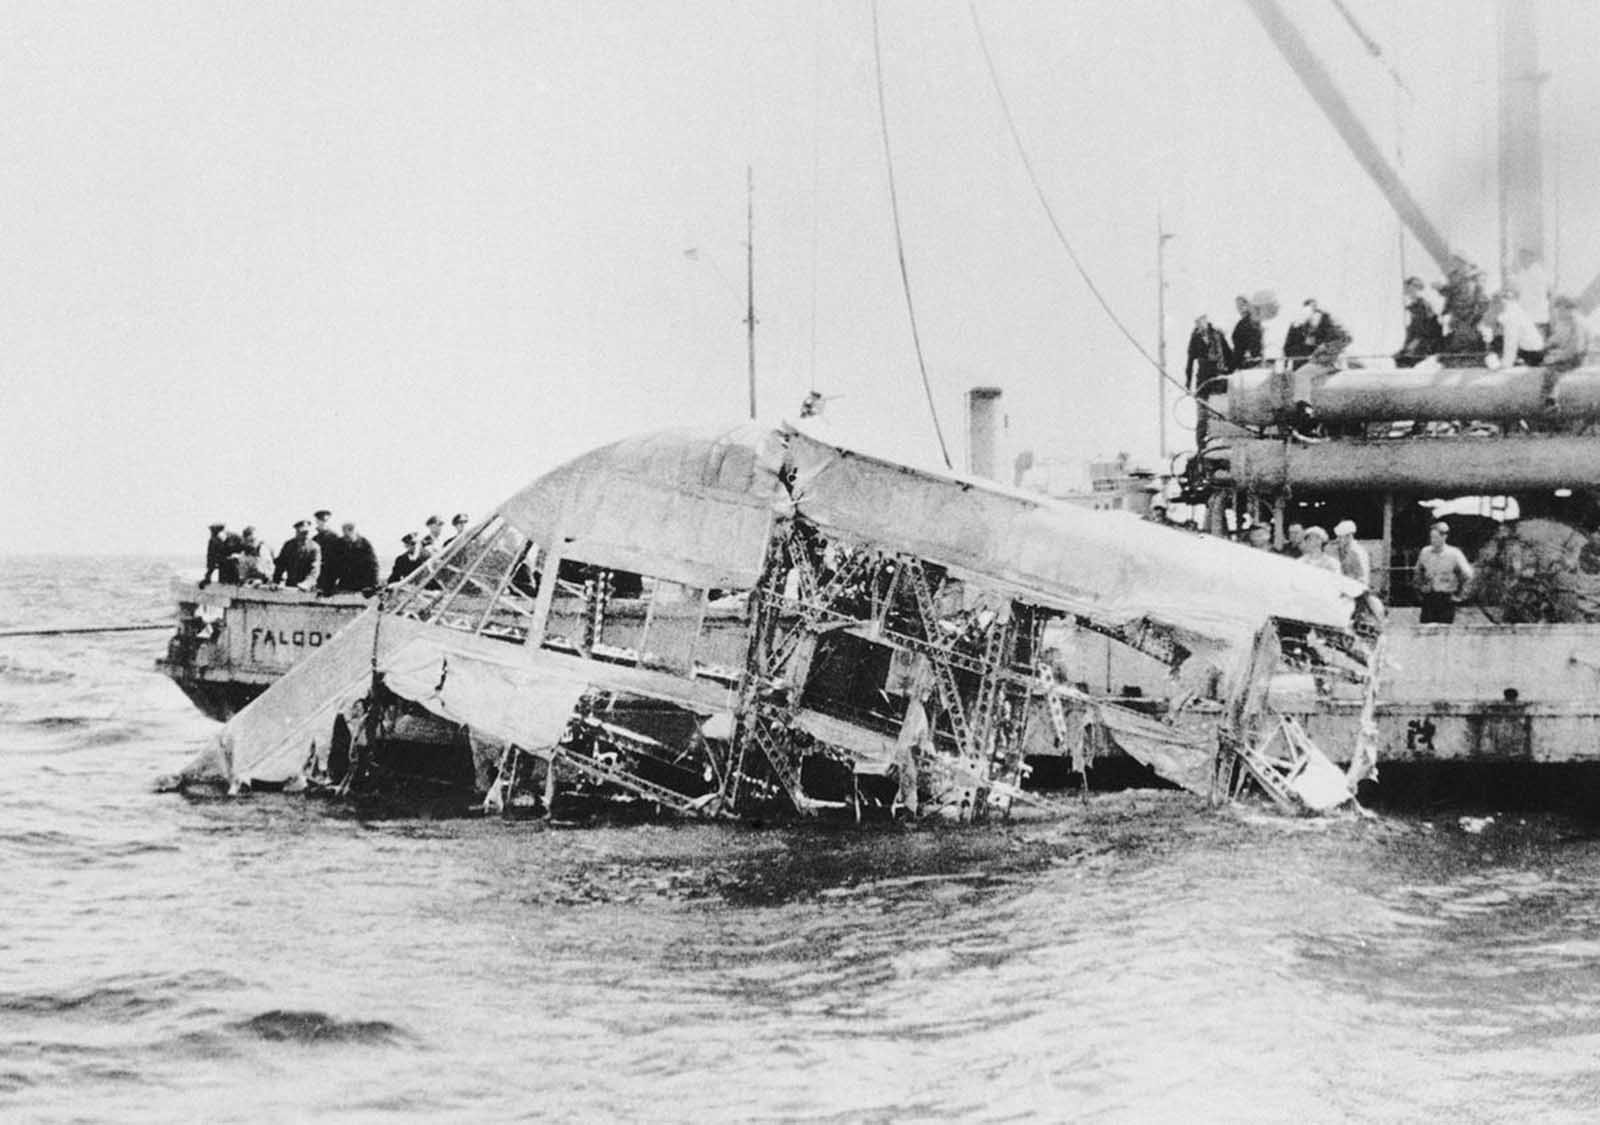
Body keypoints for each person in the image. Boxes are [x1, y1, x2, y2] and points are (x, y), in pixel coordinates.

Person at [1414, 520, 1474, 624]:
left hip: (1446, 598)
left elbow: (1468, 575)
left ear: (1444, 537)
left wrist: (1461, 596)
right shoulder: (1425, 552)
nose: (1433, 540)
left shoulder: (1454, 553)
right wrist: (1420, 589)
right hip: (1429, 597)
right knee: (1425, 630)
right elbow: (1417, 572)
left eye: (1436, 537)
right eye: (1431, 537)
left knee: (1444, 631)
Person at [1437, 256, 1490, 367]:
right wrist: (1444, 311)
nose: (1458, 265)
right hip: (1457, 316)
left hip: (1471, 316)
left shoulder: (1476, 278)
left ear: (1467, 263)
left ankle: (1474, 362)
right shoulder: (1454, 276)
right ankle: (1456, 362)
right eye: (1456, 263)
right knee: (1457, 341)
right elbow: (1450, 295)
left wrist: (1477, 316)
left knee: (1471, 340)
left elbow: (1482, 299)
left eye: (1460, 263)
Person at [1394, 276, 1444, 367]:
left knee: (1404, 359)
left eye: (1411, 287)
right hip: (1417, 341)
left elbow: (1424, 330)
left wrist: (1410, 346)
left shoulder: (1422, 305)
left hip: (1426, 343)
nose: (1406, 290)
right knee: (1400, 358)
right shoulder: (1413, 306)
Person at [1489, 287, 1544, 368]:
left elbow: (1511, 342)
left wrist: (1506, 364)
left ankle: (1512, 360)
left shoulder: (1512, 315)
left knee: (1501, 339)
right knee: (1499, 336)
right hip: (1534, 350)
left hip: (1533, 354)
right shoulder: (1515, 309)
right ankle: (1516, 359)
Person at [1185, 315, 1234, 397]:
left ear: (1205, 320)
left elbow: (1229, 355)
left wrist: (1230, 374)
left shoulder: (1217, 334)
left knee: (1219, 406)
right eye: (1196, 322)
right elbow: (1190, 362)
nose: (1199, 324)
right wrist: (1188, 384)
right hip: (1203, 381)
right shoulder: (1195, 338)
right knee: (1203, 406)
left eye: (1200, 321)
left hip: (1219, 378)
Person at [272, 519, 322, 591]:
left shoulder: (314, 547)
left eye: (307, 533)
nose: (305, 536)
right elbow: (280, 565)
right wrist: (275, 581)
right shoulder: (289, 545)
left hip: (307, 588)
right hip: (290, 585)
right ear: (297, 532)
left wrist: (307, 583)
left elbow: (315, 569)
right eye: (302, 533)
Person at [1301, 299, 1352, 366]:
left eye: (1314, 306)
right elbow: (1310, 340)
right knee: (1318, 355)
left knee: (1322, 353)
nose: (1313, 308)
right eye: (1310, 307)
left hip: (1338, 338)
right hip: (1331, 341)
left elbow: (1331, 331)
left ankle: (1337, 362)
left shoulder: (1322, 316)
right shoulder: (1307, 321)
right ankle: (1329, 362)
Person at [336, 522, 380, 593]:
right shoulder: (339, 543)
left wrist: (373, 585)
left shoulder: (365, 545)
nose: (346, 538)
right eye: (344, 535)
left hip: (362, 583)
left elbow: (374, 566)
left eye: (348, 536)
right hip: (345, 582)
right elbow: (332, 564)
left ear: (354, 532)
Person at [1331, 519, 1371, 588]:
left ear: (1349, 536)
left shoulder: (1358, 552)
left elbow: (1362, 577)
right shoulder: (1343, 550)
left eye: (1340, 537)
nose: (1337, 540)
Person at [312, 509, 343, 595]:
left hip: (331, 570)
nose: (322, 523)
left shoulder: (335, 537)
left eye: (325, 521)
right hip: (318, 570)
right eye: (320, 521)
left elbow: (340, 557)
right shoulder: (315, 539)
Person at [201, 523, 242, 587]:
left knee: (227, 567)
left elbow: (218, 552)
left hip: (218, 560)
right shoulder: (216, 540)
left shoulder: (216, 540)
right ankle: (230, 582)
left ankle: (227, 582)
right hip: (218, 560)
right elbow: (217, 552)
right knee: (229, 565)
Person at [1231, 295, 1263, 369]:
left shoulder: (1250, 321)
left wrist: (1252, 356)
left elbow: (1254, 341)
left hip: (1249, 362)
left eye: (1242, 305)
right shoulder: (1243, 322)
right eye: (1237, 305)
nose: (1239, 308)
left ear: (1248, 305)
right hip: (1241, 361)